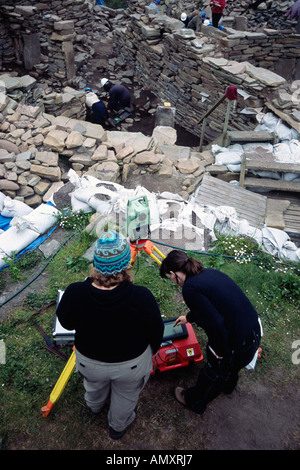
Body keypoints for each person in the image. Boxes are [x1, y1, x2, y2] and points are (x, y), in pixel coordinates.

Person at [56, 230, 164, 439]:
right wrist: (150, 353)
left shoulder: (75, 292)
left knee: (94, 386)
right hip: (131, 365)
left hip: (89, 361)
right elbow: (156, 331)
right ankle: (117, 427)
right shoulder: (142, 297)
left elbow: (66, 323)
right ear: (127, 265)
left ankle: (94, 406)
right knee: (126, 395)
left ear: (96, 264)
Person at [159, 249, 261, 415]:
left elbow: (217, 323)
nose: (172, 281)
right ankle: (229, 385)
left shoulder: (189, 289)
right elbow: (214, 306)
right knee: (231, 368)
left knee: (215, 368)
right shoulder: (208, 273)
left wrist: (221, 353)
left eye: (169, 277)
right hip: (253, 332)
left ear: (172, 273)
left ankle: (194, 400)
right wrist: (189, 318)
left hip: (240, 344)